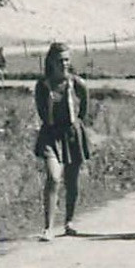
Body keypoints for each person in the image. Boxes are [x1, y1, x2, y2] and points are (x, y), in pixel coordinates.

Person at [33, 42, 91, 241]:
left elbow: (84, 109)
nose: (63, 64)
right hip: (51, 135)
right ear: (50, 62)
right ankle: (48, 227)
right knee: (53, 177)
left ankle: (69, 221)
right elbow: (41, 111)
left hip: (73, 134)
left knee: (72, 180)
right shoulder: (43, 85)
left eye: (66, 60)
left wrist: (77, 126)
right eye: (59, 61)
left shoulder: (78, 84)